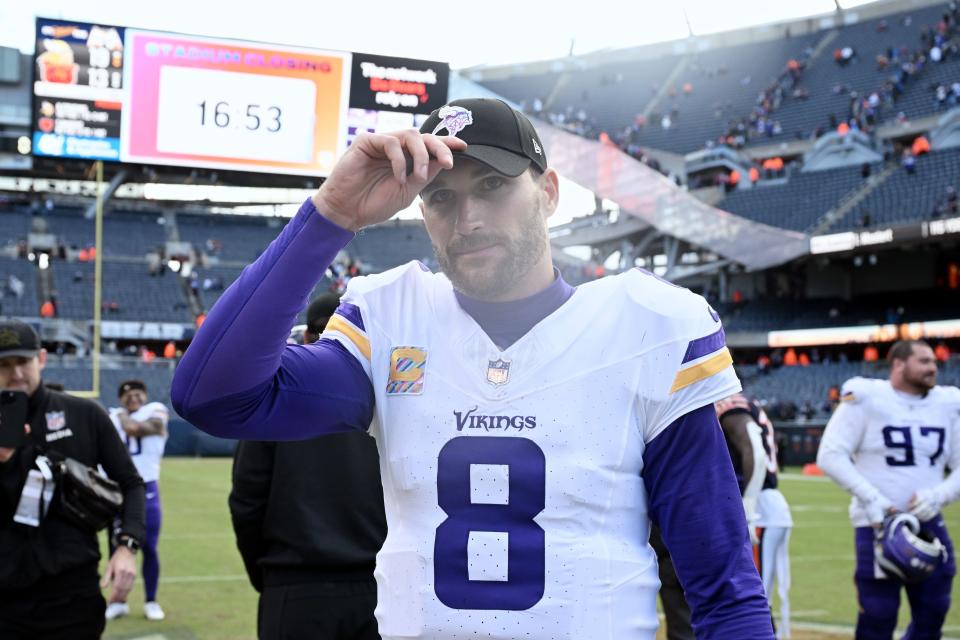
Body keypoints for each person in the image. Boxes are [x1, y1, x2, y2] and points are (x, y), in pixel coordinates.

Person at [172, 98, 773, 639]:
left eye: (492, 185)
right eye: (442, 197)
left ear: (550, 192)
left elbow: (723, 589)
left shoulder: (646, 327)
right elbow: (214, 396)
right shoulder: (393, 319)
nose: (469, 218)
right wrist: (331, 212)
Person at [229, 293, 387, 640]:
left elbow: (247, 500)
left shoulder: (276, 399)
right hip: (381, 588)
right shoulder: (394, 403)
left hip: (296, 588)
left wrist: (270, 578)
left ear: (306, 337)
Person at [0, 319, 145, 639]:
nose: (16, 374)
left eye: (22, 361)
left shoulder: (84, 414)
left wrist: (127, 546)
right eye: (4, 364)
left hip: (72, 596)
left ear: (41, 358)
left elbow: (131, 484)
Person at [817, 340, 960, 639]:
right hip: (877, 524)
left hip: (927, 524)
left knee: (934, 609)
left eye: (934, 361)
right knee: (878, 616)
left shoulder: (947, 403)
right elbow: (830, 455)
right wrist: (873, 499)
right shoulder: (867, 397)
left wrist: (939, 495)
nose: (933, 367)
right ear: (898, 364)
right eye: (923, 361)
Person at [717, 393, 793, 639]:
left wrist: (748, 509)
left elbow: (756, 453)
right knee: (754, 596)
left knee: (752, 600)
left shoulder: (729, 403)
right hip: (763, 505)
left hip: (758, 507)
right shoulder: (747, 404)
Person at [105, 379, 170, 622]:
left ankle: (151, 601)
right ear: (121, 398)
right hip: (117, 487)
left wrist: (122, 418)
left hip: (146, 486)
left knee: (149, 547)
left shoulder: (155, 410)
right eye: (127, 394)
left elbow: (137, 429)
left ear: (145, 394)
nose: (133, 397)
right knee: (115, 547)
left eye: (137, 393)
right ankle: (118, 600)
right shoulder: (113, 417)